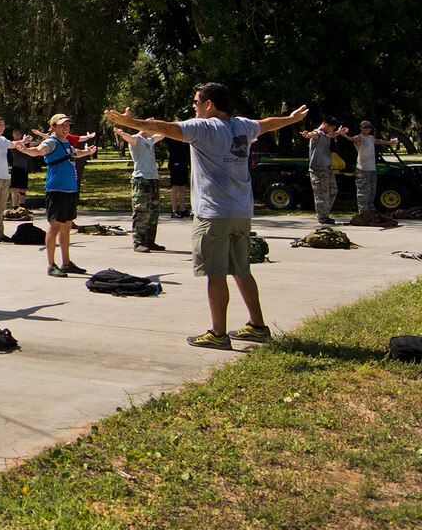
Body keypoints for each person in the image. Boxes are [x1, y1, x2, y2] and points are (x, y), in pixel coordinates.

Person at [104, 86, 307, 349]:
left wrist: (129, 122)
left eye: (196, 101)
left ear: (209, 104)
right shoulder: (243, 125)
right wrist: (291, 119)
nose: (193, 106)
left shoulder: (204, 128)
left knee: (215, 273)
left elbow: (165, 127)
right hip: (241, 212)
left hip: (214, 213)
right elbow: (268, 123)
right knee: (242, 271)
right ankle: (258, 327)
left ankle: (218, 334)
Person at [14, 114, 96, 276]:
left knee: (66, 227)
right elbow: (39, 151)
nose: (66, 128)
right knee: (54, 227)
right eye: (61, 125)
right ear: (53, 128)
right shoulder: (51, 142)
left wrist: (86, 153)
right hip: (56, 191)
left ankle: (66, 263)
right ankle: (51, 265)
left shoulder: (66, 143)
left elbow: (74, 153)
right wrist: (26, 150)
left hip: (70, 190)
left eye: (67, 125)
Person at [109, 119, 166, 251]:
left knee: (153, 211)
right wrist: (121, 132)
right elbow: (128, 138)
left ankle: (150, 240)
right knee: (141, 211)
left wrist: (167, 127)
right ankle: (139, 242)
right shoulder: (137, 139)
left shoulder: (150, 140)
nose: (154, 130)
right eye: (152, 127)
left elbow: (162, 134)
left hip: (153, 179)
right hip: (142, 180)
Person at [301, 118, 340, 225]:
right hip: (318, 169)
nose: (332, 130)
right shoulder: (318, 133)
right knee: (321, 193)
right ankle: (322, 217)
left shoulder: (326, 135)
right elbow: (313, 135)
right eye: (331, 128)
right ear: (326, 125)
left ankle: (324, 213)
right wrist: (307, 135)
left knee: (333, 191)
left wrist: (339, 133)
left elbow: (331, 135)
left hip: (327, 168)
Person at [353, 120, 380, 216]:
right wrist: (343, 135)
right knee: (363, 190)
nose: (367, 129)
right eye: (365, 127)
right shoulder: (359, 137)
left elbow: (379, 141)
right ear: (361, 128)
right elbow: (352, 139)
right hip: (362, 168)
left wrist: (391, 142)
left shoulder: (371, 138)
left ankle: (370, 208)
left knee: (372, 189)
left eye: (368, 127)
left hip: (372, 167)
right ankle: (363, 211)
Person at [164, 136, 192, 218]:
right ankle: (174, 210)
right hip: (175, 164)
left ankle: (183, 209)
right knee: (175, 187)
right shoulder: (170, 138)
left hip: (183, 164)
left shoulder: (185, 138)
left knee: (183, 187)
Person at [8, 126, 31, 211]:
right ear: (13, 135)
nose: (17, 135)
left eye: (19, 134)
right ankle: (14, 206)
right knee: (15, 188)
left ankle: (22, 206)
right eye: (16, 134)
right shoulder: (12, 144)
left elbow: (34, 144)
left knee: (23, 189)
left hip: (24, 168)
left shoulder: (25, 144)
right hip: (16, 168)